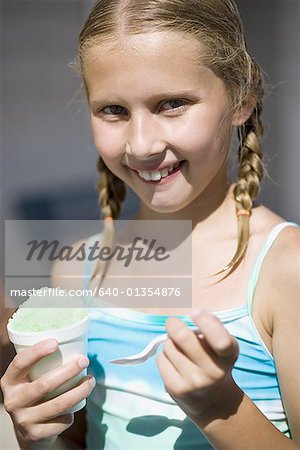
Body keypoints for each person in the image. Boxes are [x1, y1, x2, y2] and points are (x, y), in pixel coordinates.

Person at [1, 0, 299, 448]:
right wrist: (36, 433)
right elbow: (76, 439)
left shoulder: (286, 268)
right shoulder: (75, 268)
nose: (141, 144)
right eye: (114, 111)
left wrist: (222, 408)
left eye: (172, 104)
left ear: (242, 102)